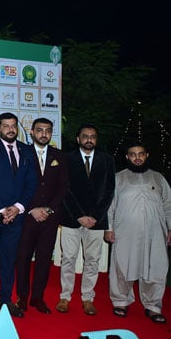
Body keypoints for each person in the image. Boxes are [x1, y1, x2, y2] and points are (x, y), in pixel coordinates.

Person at [0, 112, 37, 319]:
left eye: (13, 126)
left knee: (10, 260)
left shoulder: (26, 150)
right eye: (6, 126)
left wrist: (18, 207)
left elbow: (31, 182)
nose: (10, 129)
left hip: (16, 216)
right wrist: (2, 208)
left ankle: (5, 300)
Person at [105, 142, 171, 323]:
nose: (137, 158)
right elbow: (110, 206)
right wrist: (109, 228)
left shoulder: (158, 178)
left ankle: (153, 306)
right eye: (133, 154)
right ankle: (121, 301)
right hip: (125, 232)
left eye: (141, 154)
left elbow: (168, 205)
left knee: (155, 267)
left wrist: (170, 227)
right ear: (127, 157)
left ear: (147, 155)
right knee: (122, 266)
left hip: (155, 233)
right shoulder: (118, 178)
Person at [56, 123, 115, 316]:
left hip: (96, 221)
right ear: (78, 139)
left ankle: (88, 298)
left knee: (92, 260)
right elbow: (64, 189)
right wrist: (79, 216)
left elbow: (109, 191)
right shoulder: (66, 159)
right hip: (71, 219)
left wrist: (95, 216)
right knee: (68, 258)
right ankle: (65, 297)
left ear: (96, 139)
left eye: (93, 136)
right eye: (85, 136)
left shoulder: (107, 160)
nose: (89, 139)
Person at [14, 118, 69, 314]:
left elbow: (63, 187)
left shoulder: (59, 156)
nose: (44, 134)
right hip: (26, 216)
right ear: (32, 132)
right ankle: (22, 297)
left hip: (50, 217)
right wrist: (31, 208)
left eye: (47, 130)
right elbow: (17, 184)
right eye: (39, 130)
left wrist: (49, 209)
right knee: (23, 258)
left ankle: (37, 298)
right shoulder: (22, 153)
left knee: (44, 258)